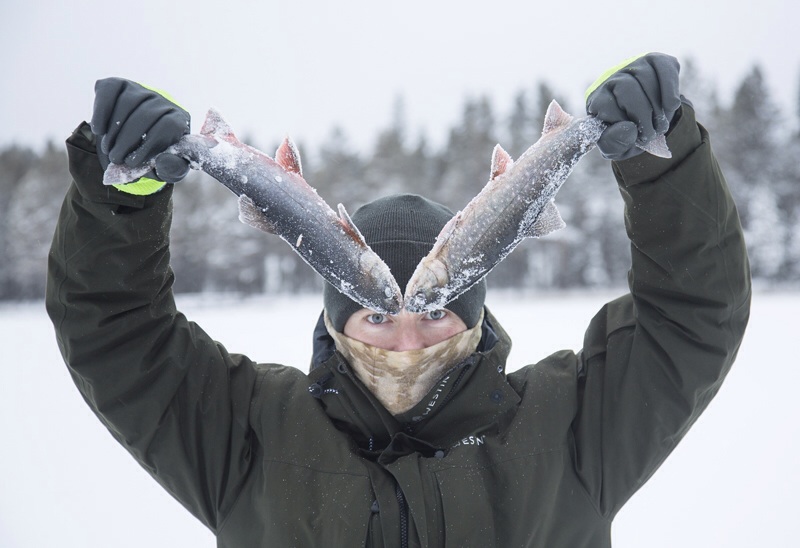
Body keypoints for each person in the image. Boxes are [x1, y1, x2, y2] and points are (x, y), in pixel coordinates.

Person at [46, 53, 750, 547]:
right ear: (336, 314)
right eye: (378, 314)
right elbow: (118, 334)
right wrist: (123, 196)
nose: (408, 345)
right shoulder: (246, 434)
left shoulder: (571, 431)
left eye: (437, 311)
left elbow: (691, 316)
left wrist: (660, 160)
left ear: (474, 317)